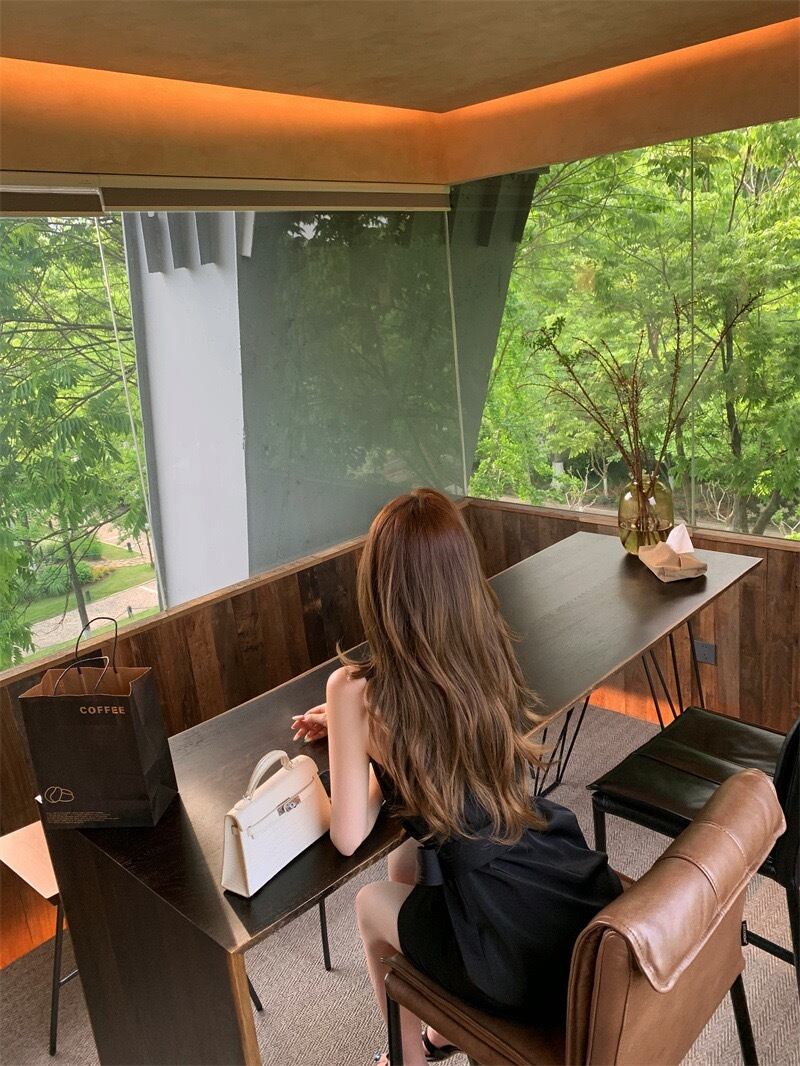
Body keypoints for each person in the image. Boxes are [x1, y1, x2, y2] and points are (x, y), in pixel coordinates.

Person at [291, 488, 622, 1065]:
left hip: (506, 954)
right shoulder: (486, 648)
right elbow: (444, 766)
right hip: (553, 884)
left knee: (370, 903)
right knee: (404, 865)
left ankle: (406, 1060)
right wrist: (368, 742)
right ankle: (442, 1032)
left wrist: (355, 743)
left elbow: (347, 835)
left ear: (378, 586)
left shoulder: (355, 690)